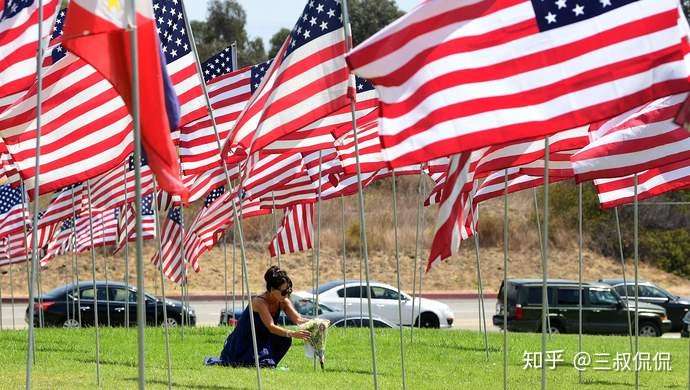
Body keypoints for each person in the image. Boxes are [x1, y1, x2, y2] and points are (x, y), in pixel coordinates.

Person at [205, 266, 311, 368]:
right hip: (245, 341)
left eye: (289, 290)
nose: (287, 295)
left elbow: (298, 319)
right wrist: (292, 333)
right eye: (283, 292)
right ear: (272, 290)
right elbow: (271, 326)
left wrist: (318, 322)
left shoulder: (283, 301)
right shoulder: (259, 302)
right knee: (251, 363)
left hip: (263, 338)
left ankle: (270, 363)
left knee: (284, 339)